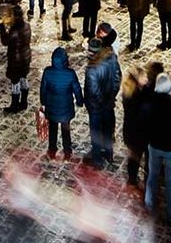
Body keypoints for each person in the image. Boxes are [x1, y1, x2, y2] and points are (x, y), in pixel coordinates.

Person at [143, 73, 171, 226]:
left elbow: (145, 125)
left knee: (152, 176)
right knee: (170, 183)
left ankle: (148, 207)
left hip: (154, 146)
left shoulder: (149, 105)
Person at [83, 35, 121, 168]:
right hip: (109, 102)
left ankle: (97, 158)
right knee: (107, 129)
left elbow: (93, 91)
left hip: (96, 107)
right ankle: (109, 153)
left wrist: (99, 103)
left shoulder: (92, 69)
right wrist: (111, 96)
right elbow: (117, 78)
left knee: (96, 132)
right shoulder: (112, 58)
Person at [39, 48, 83, 160]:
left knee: (52, 129)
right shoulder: (70, 73)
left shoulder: (47, 72)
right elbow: (76, 89)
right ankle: (67, 152)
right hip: (66, 108)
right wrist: (79, 101)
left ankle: (52, 150)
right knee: (66, 130)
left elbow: (43, 89)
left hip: (51, 107)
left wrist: (43, 102)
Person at [0, 4, 32, 115]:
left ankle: (14, 105)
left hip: (16, 60)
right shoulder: (27, 26)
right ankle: (24, 102)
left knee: (15, 82)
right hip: (26, 58)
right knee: (24, 78)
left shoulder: (15, 31)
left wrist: (2, 27)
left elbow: (5, 41)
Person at [121, 67, 150, 188]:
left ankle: (132, 179)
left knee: (134, 155)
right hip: (139, 132)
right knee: (141, 156)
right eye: (144, 77)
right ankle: (141, 180)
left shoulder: (128, 92)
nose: (147, 79)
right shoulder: (139, 96)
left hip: (129, 130)